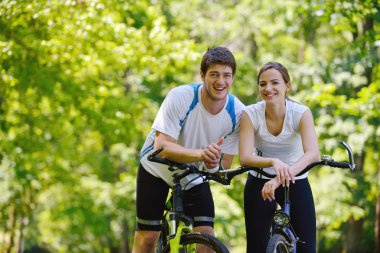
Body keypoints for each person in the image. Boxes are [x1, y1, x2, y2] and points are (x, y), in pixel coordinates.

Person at [132, 46, 245, 253]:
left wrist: (213, 164)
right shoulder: (181, 96)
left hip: (191, 174)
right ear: (202, 75)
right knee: (147, 238)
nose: (221, 82)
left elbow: (223, 166)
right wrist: (202, 154)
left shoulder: (238, 113)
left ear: (233, 78)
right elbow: (162, 147)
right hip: (156, 167)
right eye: (214, 74)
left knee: (206, 239)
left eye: (226, 75)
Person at [239, 61, 320, 253]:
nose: (268, 88)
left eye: (275, 83)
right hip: (259, 183)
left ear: (287, 86)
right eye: (262, 84)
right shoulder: (250, 114)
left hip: (296, 181)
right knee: (256, 248)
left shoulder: (300, 113)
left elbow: (313, 154)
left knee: (307, 247)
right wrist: (273, 161)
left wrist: (279, 178)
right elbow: (244, 157)